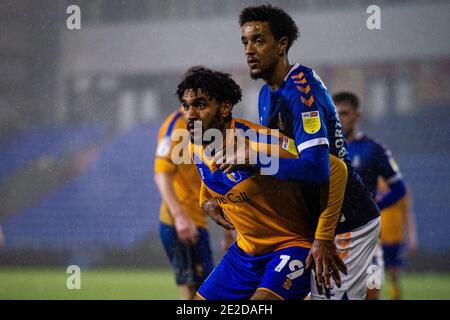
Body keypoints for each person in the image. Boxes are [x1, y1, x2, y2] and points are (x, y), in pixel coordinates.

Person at [234, 4, 380, 300]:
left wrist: (257, 161)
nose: (249, 49)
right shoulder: (267, 94)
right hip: (313, 223)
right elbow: (284, 160)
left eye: (259, 40)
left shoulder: (302, 93)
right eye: (245, 41)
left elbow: (317, 168)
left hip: (345, 221)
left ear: (282, 45)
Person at [177, 68, 348, 300]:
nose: (190, 115)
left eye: (200, 105)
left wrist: (324, 238)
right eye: (186, 106)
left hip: (290, 245)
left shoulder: (258, 143)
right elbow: (209, 171)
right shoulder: (195, 144)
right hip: (246, 252)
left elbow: (335, 169)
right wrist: (205, 199)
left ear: (225, 108)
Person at [333, 91, 417, 299]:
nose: (339, 119)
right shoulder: (323, 149)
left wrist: (374, 207)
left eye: (344, 113)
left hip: (367, 242)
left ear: (357, 116)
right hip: (330, 238)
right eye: (335, 114)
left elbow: (399, 188)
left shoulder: (373, 149)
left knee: (372, 291)